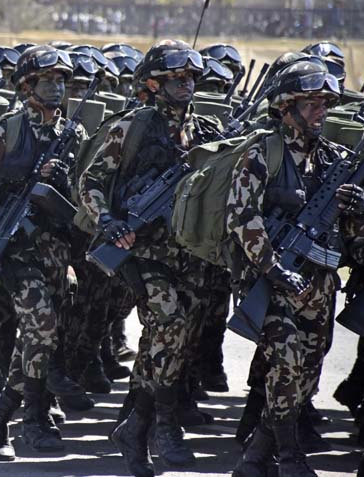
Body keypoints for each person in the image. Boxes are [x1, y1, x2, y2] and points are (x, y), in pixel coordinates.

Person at [79, 39, 222, 476]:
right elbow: (91, 182)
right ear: (154, 84)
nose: (187, 84)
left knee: (172, 340)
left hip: (189, 253)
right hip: (142, 251)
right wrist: (108, 220)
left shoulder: (207, 131)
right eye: (177, 78)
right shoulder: (133, 127)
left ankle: (135, 425)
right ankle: (161, 424)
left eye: (191, 77)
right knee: (169, 323)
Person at [228, 59, 364, 477]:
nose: (321, 111)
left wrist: (361, 210)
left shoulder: (333, 159)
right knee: (287, 363)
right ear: (286, 106)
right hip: (272, 279)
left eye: (325, 104)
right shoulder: (262, 151)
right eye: (311, 103)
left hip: (320, 283)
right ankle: (289, 457)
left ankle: (256, 457)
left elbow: (351, 235)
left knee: (308, 372)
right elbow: (242, 216)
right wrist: (274, 269)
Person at [0, 45, 84, 460]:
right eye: (48, 80)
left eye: (62, 80)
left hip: (55, 252)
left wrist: (64, 184)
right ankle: (32, 420)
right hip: (13, 249)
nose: (58, 88)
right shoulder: (5, 131)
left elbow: (78, 211)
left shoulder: (72, 134)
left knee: (37, 337)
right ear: (26, 87)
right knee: (43, 327)